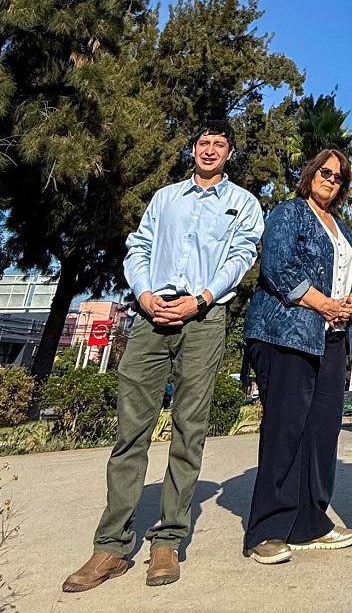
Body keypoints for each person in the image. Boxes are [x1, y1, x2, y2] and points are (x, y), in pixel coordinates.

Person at [62, 121, 264, 594]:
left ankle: (168, 539)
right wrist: (145, 294)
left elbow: (240, 256)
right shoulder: (166, 199)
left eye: (218, 144)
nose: (209, 150)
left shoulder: (244, 205)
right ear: (192, 150)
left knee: (188, 431)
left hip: (203, 316)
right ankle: (110, 546)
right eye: (202, 143)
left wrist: (204, 298)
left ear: (229, 153)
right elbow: (139, 247)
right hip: (151, 317)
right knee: (130, 431)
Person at [242, 147, 352, 565]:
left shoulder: (341, 228)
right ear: (311, 173)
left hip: (330, 339)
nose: (331, 179)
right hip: (286, 334)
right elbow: (278, 267)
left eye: (339, 177)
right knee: (286, 429)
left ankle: (311, 522)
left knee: (321, 433)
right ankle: (268, 529)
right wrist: (323, 303)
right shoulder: (289, 213)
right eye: (325, 172)